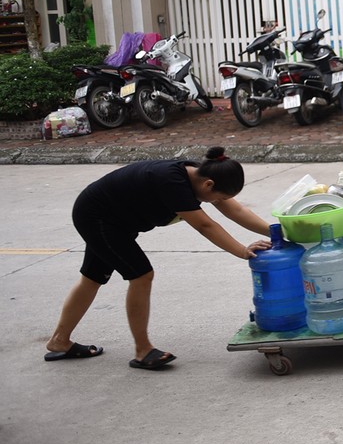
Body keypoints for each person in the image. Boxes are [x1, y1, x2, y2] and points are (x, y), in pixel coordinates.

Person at [44, 146, 273, 370]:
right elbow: (205, 226)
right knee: (141, 275)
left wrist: (277, 232)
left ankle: (59, 341)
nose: (215, 202)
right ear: (209, 185)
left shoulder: (202, 174)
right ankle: (143, 350)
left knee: (92, 278)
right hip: (98, 218)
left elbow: (237, 211)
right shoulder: (173, 183)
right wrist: (242, 251)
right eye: (217, 198)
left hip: (112, 219)